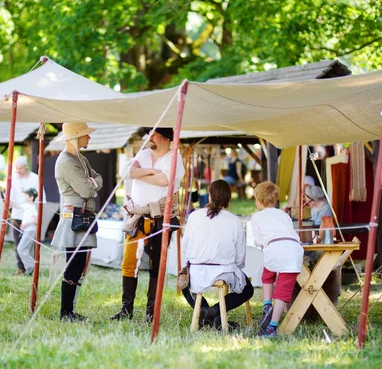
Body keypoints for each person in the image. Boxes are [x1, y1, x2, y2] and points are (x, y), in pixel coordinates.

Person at [111, 127, 184, 322]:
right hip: (138, 217)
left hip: (160, 219)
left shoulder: (174, 158)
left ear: (166, 138)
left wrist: (139, 174)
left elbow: (164, 180)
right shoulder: (143, 154)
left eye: (155, 135)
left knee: (156, 266)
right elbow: (125, 171)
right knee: (129, 263)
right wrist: (150, 170)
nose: (150, 138)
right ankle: (126, 309)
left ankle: (151, 312)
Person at [181, 179, 254, 330]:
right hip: (224, 270)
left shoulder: (195, 216)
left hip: (198, 270)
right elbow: (240, 258)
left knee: (183, 284)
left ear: (210, 196)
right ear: (229, 198)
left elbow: (186, 247)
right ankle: (214, 312)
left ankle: (207, 312)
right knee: (248, 290)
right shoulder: (234, 220)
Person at [51, 122, 103, 322]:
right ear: (76, 137)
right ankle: (65, 313)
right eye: (86, 135)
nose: (89, 138)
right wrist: (90, 183)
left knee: (79, 264)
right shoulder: (66, 161)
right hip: (74, 216)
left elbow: (98, 179)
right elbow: (87, 190)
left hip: (83, 215)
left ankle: (69, 311)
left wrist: (92, 182)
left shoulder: (80, 158)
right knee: (73, 265)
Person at [251, 181, 304, 337]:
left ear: (259, 202)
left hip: (273, 248)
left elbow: (259, 241)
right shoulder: (284, 214)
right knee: (283, 289)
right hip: (294, 250)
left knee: (268, 273)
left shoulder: (257, 217)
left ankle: (267, 304)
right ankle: (272, 326)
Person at [10, 155, 39, 275]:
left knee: (29, 244)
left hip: (30, 216)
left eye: (20, 168)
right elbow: (10, 195)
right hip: (17, 214)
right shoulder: (14, 178)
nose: (18, 171)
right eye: (16, 168)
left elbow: (41, 198)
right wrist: (11, 203)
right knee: (18, 243)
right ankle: (21, 267)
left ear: (26, 167)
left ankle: (31, 267)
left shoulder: (35, 178)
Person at [16, 188, 39, 275]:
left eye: (26, 195)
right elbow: (17, 206)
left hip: (30, 230)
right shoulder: (26, 205)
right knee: (25, 249)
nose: (24, 197)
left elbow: (37, 220)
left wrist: (26, 224)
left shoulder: (33, 207)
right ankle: (31, 268)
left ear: (31, 197)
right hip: (27, 230)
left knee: (21, 249)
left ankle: (31, 267)